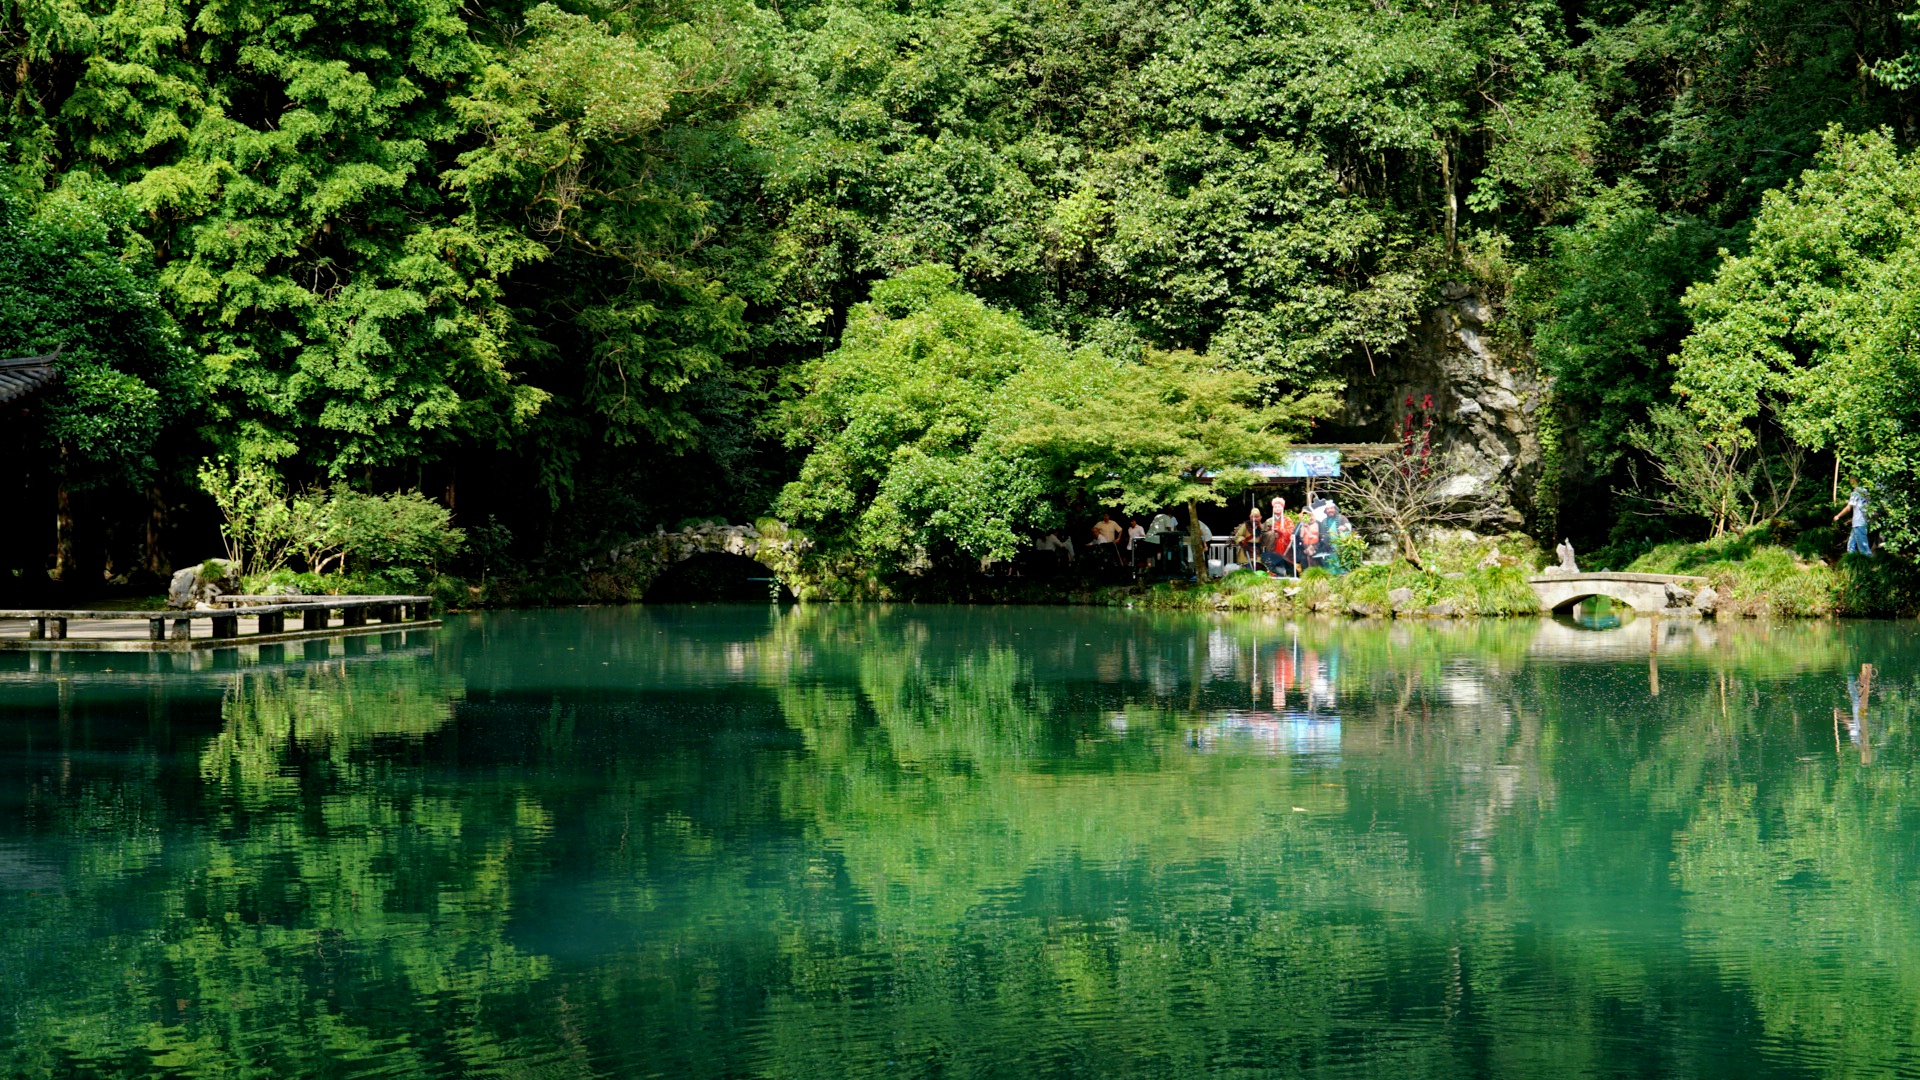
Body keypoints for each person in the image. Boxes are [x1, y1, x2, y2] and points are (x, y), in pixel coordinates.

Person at [1834, 485, 1873, 556]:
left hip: (1859, 523)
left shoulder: (1856, 492)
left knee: (1863, 549)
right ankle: (1851, 563)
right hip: (1860, 523)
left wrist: (1838, 515)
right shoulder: (1866, 491)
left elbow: (1848, 508)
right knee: (1851, 547)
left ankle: (1869, 564)